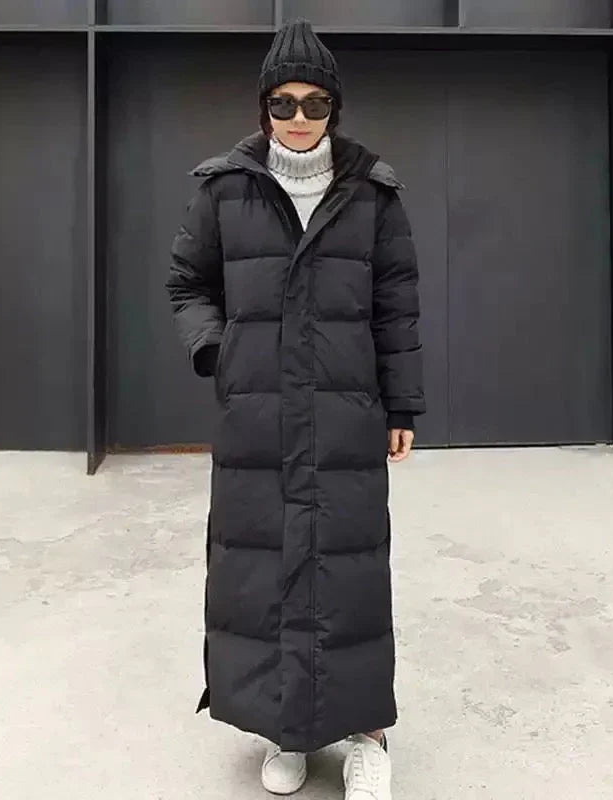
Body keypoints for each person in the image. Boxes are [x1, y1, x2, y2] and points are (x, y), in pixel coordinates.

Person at [165, 17, 425, 799]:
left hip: (346, 412)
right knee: (260, 570)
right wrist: (220, 351)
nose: (299, 117)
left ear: (334, 107)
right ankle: (288, 727)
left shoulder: (373, 193)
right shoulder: (225, 189)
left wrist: (402, 403)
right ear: (264, 107)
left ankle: (367, 736)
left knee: (348, 571)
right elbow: (187, 284)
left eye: (315, 102)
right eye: (284, 102)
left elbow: (396, 306)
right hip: (257, 414)